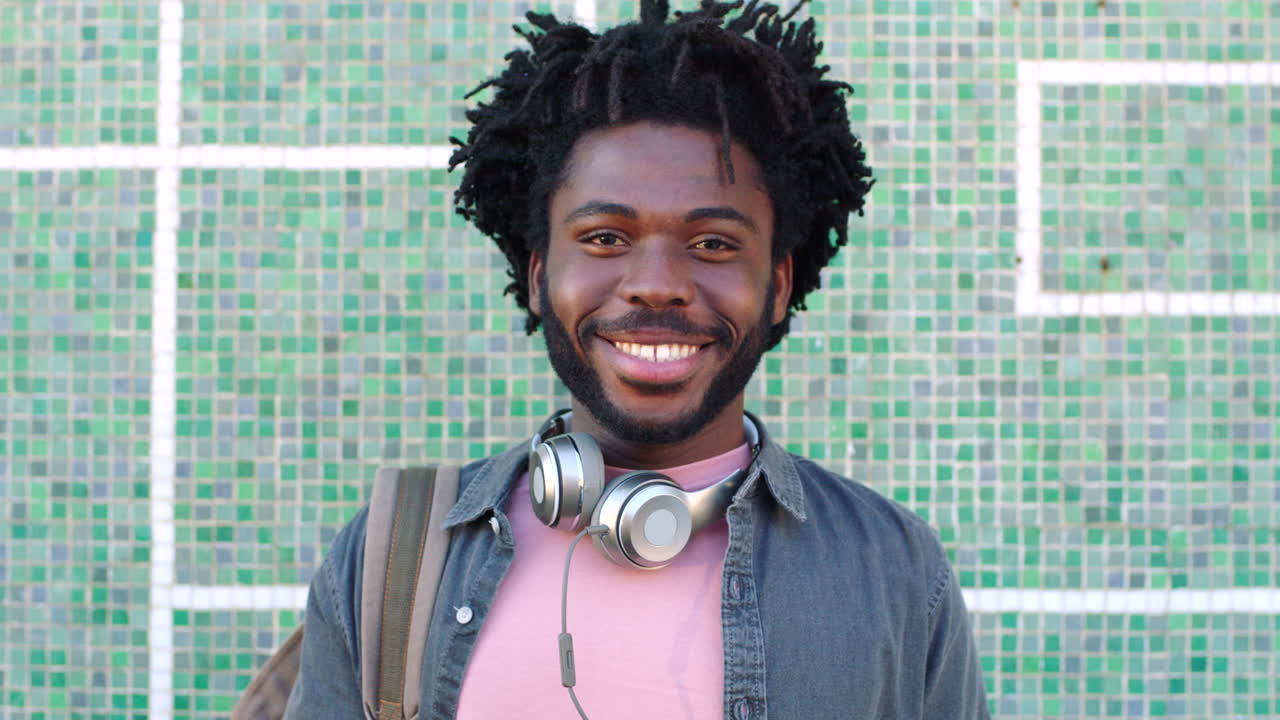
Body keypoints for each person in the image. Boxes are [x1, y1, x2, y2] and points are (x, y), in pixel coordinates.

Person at [286, 0, 990, 717]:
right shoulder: (395, 555)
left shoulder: (894, 572)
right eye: (604, 238)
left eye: (714, 243)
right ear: (537, 276)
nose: (656, 283)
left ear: (777, 285)